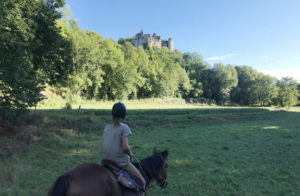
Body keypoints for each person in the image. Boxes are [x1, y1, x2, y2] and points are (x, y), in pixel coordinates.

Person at [102, 102, 146, 192]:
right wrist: (130, 154)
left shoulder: (107, 127)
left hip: (107, 160)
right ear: (123, 115)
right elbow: (125, 147)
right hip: (120, 162)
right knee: (142, 181)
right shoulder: (124, 128)